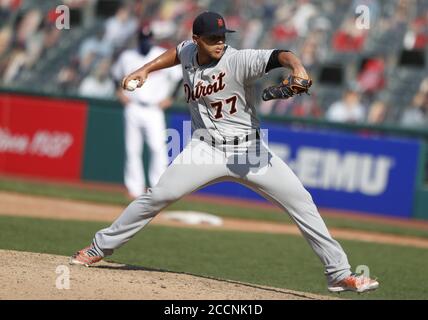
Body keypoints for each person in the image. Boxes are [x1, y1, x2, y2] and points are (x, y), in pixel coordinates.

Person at [70, 12, 379, 294]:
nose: (220, 43)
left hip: (250, 151)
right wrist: (145, 69)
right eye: (213, 38)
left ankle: (338, 273)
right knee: (157, 196)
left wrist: (297, 66)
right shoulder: (189, 51)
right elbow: (175, 54)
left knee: (302, 202)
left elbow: (279, 55)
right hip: (204, 149)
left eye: (223, 37)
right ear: (197, 40)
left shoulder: (238, 60)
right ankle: (99, 247)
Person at [111, 26, 182, 199]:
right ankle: (134, 190)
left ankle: (158, 189)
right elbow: (115, 75)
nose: (146, 42)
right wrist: (119, 93)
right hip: (133, 106)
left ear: (153, 39)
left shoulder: (161, 55)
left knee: (157, 149)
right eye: (143, 39)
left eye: (148, 38)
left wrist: (171, 98)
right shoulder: (128, 56)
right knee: (132, 150)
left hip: (154, 109)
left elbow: (180, 77)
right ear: (139, 40)